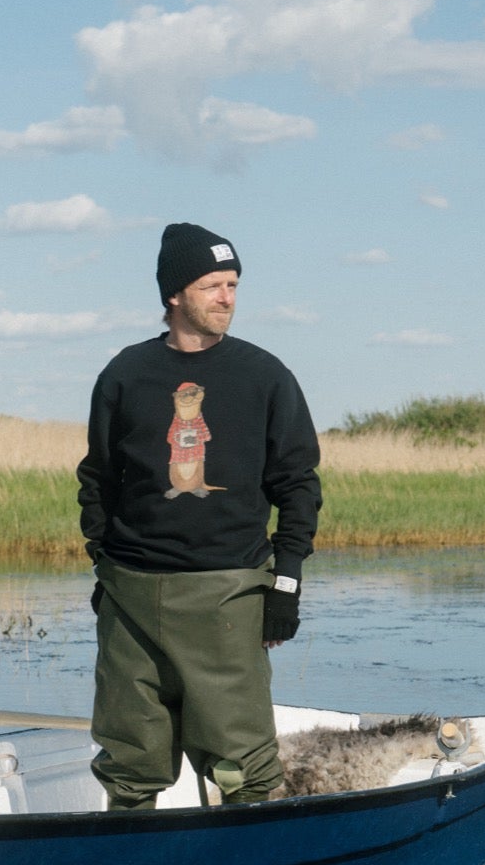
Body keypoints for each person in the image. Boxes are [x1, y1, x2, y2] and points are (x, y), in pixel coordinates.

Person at [77, 221, 322, 810]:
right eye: (213, 284)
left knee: (245, 769)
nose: (227, 297)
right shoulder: (125, 374)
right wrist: (105, 569)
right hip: (132, 596)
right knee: (130, 762)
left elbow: (298, 486)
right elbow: (98, 480)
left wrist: (284, 583)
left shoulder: (264, 376)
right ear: (174, 294)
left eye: (233, 284)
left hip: (226, 595)